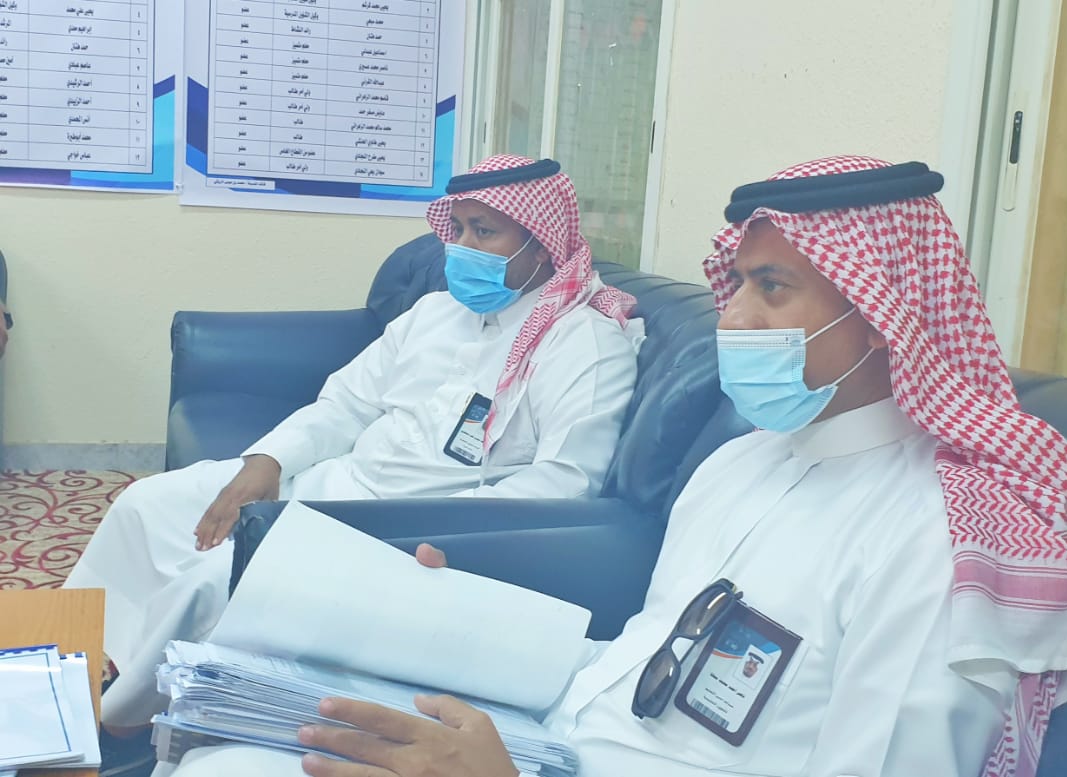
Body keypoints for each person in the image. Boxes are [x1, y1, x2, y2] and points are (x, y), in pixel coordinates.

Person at [162, 156, 1067, 777]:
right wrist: (459, 615)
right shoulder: (742, 467)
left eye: (772, 287)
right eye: (736, 283)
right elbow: (646, 664)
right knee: (232, 741)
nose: (732, 316)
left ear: (881, 318)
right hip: (561, 744)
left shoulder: (937, 547)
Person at [64, 154, 644, 745]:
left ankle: (121, 723)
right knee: (147, 506)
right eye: (458, 228)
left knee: (219, 575)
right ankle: (95, 664)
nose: (462, 247)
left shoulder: (585, 345)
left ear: (540, 246)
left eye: (484, 232)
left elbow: (566, 483)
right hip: (335, 482)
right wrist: (268, 462)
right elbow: (346, 403)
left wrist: (424, 532)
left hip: (406, 531)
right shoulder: (435, 312)